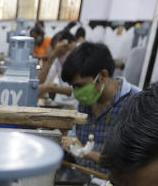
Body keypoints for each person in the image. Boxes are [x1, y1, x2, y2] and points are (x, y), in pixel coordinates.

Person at [59, 42, 140, 170]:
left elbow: (130, 160)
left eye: (80, 86)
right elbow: (74, 135)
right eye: (73, 86)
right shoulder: (87, 99)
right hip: (81, 175)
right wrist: (71, 140)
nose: (76, 92)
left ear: (102, 76)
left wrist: (85, 153)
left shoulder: (136, 103)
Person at [36, 29, 78, 94]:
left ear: (71, 45)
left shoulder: (79, 58)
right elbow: (40, 81)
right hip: (61, 100)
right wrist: (52, 57)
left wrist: (52, 88)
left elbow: (74, 90)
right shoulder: (58, 59)